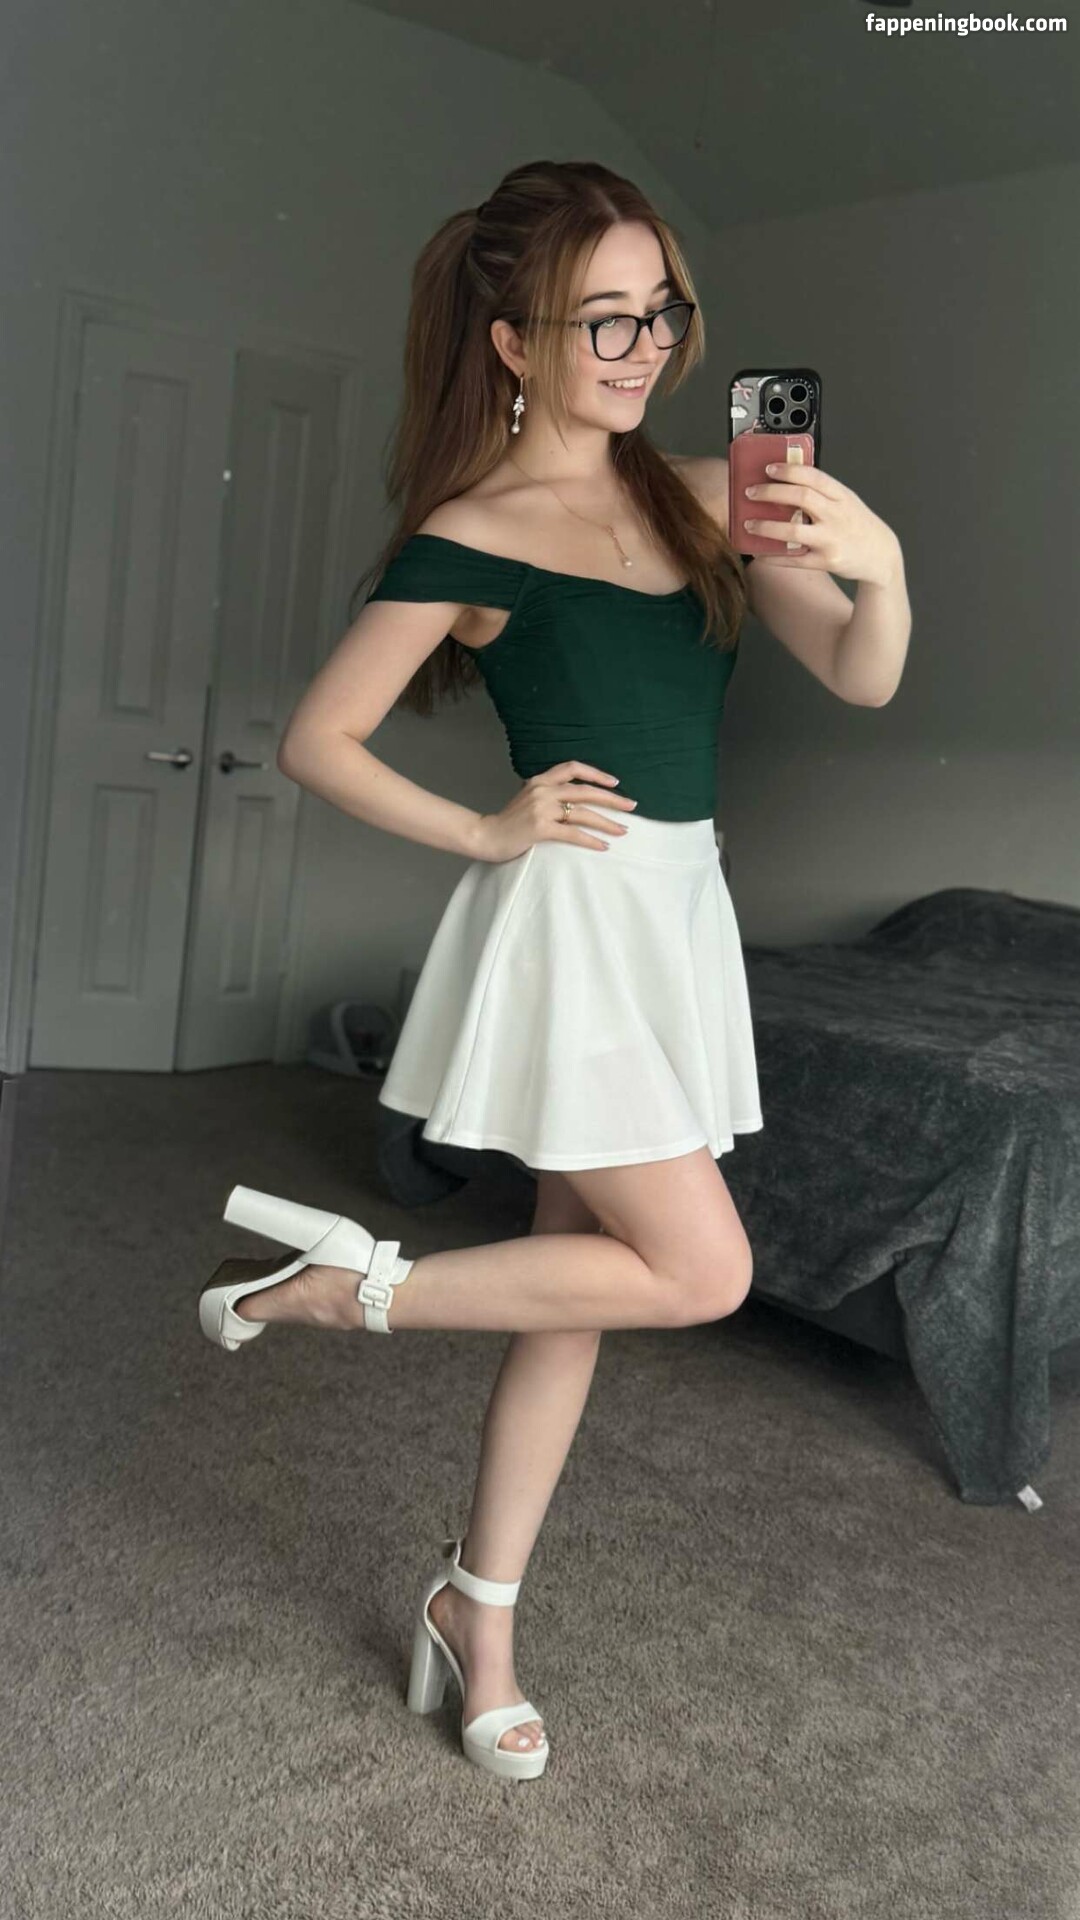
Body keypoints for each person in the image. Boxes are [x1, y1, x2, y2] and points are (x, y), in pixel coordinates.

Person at [198, 160, 910, 1781]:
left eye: (663, 313)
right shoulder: (476, 534)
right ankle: (351, 1290)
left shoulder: (708, 491)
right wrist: (484, 827)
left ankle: (481, 1613)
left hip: (679, 913)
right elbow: (319, 739)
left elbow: (861, 673)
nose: (645, 347)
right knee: (701, 1271)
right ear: (514, 341)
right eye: (604, 319)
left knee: (576, 1290)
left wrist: (878, 557)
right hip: (576, 920)